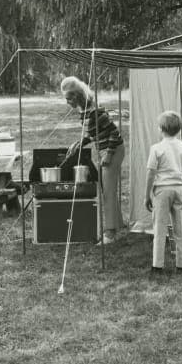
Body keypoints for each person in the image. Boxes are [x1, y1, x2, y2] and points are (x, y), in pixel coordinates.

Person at [60, 76, 125, 245]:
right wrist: (79, 143)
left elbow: (115, 133)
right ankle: (118, 227)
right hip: (103, 149)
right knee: (107, 188)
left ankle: (110, 233)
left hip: (112, 149)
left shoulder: (95, 112)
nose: (67, 102)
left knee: (108, 191)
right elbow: (93, 132)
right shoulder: (84, 110)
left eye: (68, 99)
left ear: (77, 96)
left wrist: (108, 154)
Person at [144, 110, 182, 271]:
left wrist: (147, 195)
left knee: (160, 227)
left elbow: (150, 173)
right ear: (179, 129)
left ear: (160, 129)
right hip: (179, 189)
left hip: (162, 191)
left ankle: (157, 265)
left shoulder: (156, 148)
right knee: (180, 228)